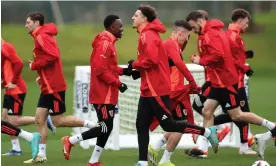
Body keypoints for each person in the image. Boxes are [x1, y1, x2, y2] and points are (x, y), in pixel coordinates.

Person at [129, 5, 219, 166]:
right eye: (188, 36)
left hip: (160, 89)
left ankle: (158, 155)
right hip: (164, 89)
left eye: (135, 15)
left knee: (171, 123)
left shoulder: (152, 37)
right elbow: (156, 62)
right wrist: (135, 67)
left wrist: (135, 67)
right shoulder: (162, 41)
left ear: (144, 19)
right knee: (163, 124)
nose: (132, 18)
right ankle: (147, 160)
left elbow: (154, 62)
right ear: (181, 33)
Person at [186, 10, 275, 156]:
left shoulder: (211, 34)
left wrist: (200, 61)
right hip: (217, 81)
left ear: (199, 20)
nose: (192, 29)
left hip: (225, 82)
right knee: (207, 112)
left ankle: (272, 126)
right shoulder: (210, 33)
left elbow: (219, 55)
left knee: (238, 116)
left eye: (192, 25)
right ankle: (202, 150)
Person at [23, 12, 98, 163]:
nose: (26, 25)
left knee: (57, 121)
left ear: (37, 23)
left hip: (53, 86)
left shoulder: (41, 36)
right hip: (47, 85)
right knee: (39, 118)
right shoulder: (41, 35)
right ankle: (41, 155)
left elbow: (52, 56)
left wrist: (34, 65)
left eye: (28, 22)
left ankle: (93, 125)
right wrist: (41, 75)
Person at [61, 15, 128, 166]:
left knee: (107, 127)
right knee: (105, 127)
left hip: (108, 93)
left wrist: (126, 72)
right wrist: (118, 83)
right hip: (102, 94)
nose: (122, 29)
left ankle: (93, 161)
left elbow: (110, 67)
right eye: (120, 26)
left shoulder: (109, 42)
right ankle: (70, 140)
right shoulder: (105, 43)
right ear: (112, 27)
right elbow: (99, 70)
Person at [147, 20, 201, 166]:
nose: (188, 39)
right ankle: (165, 161)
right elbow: (180, 65)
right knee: (181, 124)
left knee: (175, 124)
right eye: (187, 36)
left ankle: (155, 146)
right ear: (181, 33)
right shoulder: (171, 44)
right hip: (173, 91)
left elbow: (180, 49)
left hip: (172, 90)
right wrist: (193, 83)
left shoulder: (174, 44)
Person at [1, 39, 55, 156]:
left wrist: (13, 81)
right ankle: (16, 149)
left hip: (16, 90)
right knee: (4, 119)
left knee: (13, 121)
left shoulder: (5, 47)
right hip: (8, 90)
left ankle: (43, 120)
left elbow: (19, 63)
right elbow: (5, 69)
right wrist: (4, 81)